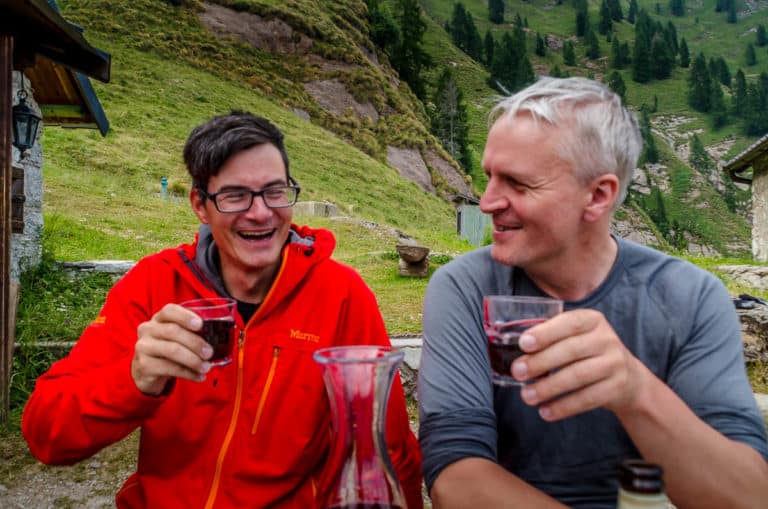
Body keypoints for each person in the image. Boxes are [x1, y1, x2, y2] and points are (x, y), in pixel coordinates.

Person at [22, 111, 423, 509]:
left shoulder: (341, 294)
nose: (261, 212)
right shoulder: (155, 284)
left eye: (275, 191)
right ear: (200, 204)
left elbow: (387, 445)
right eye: (236, 196)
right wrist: (134, 379)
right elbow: (47, 434)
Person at [417, 77, 768, 508]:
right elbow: (455, 478)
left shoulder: (690, 295)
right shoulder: (464, 287)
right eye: (489, 176)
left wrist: (635, 392)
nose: (487, 201)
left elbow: (748, 496)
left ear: (598, 195)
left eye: (517, 183)